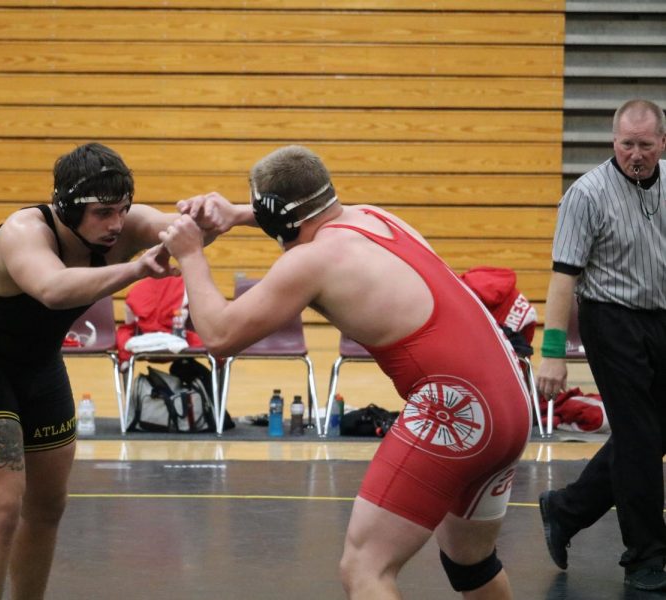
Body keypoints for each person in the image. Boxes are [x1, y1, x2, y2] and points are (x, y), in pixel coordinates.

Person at [161, 145, 532, 599]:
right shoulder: (373, 217)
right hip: (512, 402)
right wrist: (237, 214)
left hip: (459, 408)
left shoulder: (311, 262)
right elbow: (305, 217)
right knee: (470, 563)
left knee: (365, 568)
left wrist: (191, 254)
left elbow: (219, 336)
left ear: (278, 221)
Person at [0, 142, 242, 599]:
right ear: (66, 207)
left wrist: (216, 213)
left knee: (47, 507)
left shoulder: (124, 227)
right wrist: (136, 268)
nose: (116, 224)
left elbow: (183, 234)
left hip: (38, 364)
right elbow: (54, 289)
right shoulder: (23, 231)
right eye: (102, 213)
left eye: (123, 209)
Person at [535, 99, 666, 591]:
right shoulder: (586, 195)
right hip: (610, 320)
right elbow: (562, 278)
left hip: (661, 317)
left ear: (662, 144)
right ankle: (646, 557)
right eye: (627, 144)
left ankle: (567, 510)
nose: (636, 154)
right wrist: (552, 353)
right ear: (614, 142)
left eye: (645, 146)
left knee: (654, 434)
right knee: (638, 441)